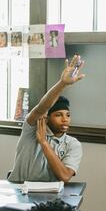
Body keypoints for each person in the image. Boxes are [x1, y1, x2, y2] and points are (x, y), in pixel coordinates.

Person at [8, 55, 85, 183]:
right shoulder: (32, 129)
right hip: (19, 192)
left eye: (68, 115)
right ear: (47, 117)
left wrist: (44, 143)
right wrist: (62, 84)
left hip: (49, 197)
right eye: (58, 115)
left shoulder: (73, 144)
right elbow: (41, 108)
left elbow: (65, 176)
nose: (65, 119)